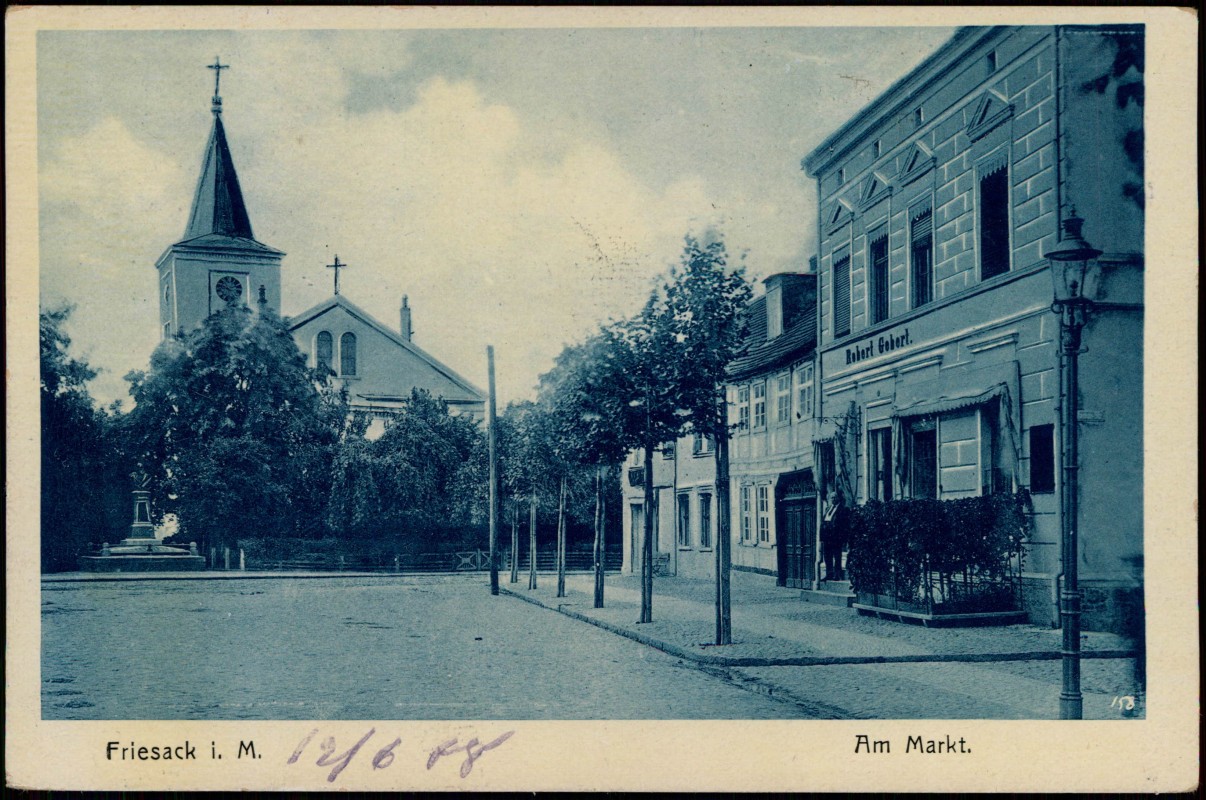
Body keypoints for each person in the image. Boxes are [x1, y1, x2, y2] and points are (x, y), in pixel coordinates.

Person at [821, 488, 848, 582]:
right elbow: (823, 522)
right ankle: (829, 574)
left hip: (836, 537)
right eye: (831, 498)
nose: (833, 499)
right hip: (827, 537)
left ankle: (837, 574)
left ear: (838, 498)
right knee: (827, 555)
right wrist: (822, 537)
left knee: (837, 556)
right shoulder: (828, 508)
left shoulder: (842, 509)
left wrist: (843, 538)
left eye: (834, 497)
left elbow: (844, 525)